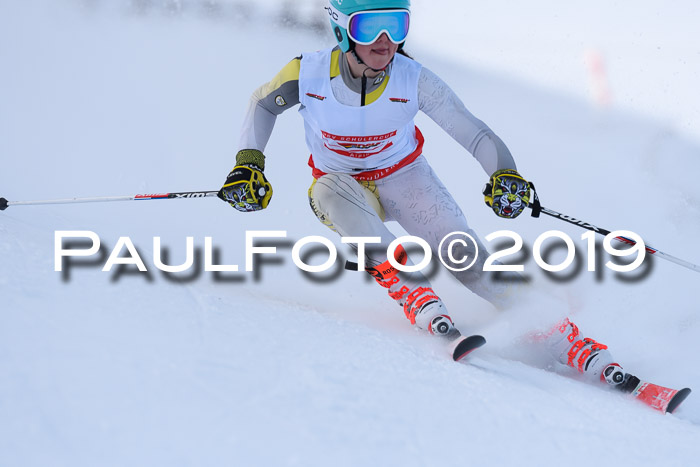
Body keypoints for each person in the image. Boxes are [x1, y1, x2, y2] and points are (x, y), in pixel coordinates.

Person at [217, 0, 635, 393]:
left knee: (466, 257)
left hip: (405, 179)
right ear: (342, 28)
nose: (386, 40)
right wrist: (249, 163)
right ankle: (414, 292)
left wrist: (504, 173)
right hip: (342, 186)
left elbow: (474, 131)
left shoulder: (411, 77)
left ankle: (564, 338)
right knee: (328, 189)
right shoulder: (306, 74)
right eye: (371, 26)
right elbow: (262, 103)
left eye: (396, 24)